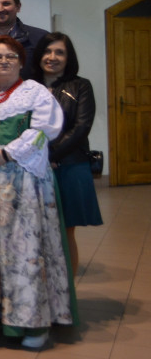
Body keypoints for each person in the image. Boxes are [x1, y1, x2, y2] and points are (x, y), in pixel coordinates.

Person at [0, 36, 73, 350]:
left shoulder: (34, 92)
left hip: (23, 180)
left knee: (24, 250)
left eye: (10, 56)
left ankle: (33, 321)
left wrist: (8, 153)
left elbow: (44, 131)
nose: (4, 61)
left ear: (21, 62)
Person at [33, 32, 102, 277]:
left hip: (70, 164)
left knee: (66, 229)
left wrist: (50, 155)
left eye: (59, 52)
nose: (52, 57)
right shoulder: (28, 86)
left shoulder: (80, 85)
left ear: (68, 57)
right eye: (47, 51)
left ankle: (68, 290)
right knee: (36, 229)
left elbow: (81, 127)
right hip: (32, 167)